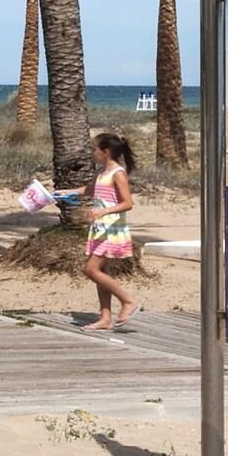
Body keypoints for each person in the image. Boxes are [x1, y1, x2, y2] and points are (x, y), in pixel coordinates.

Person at [67, 132, 140, 331]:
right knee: (102, 272)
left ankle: (128, 301)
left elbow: (128, 203)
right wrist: (65, 192)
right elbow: (91, 190)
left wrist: (103, 211)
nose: (92, 153)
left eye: (94, 149)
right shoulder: (102, 172)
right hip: (100, 229)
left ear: (105, 152)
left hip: (111, 230)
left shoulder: (118, 173)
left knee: (90, 269)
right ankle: (105, 318)